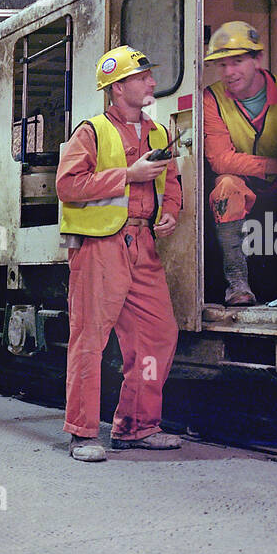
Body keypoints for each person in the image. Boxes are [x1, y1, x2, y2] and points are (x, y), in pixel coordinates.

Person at [56, 46, 183, 462]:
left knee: (157, 335)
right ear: (118, 88)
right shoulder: (91, 132)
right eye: (142, 78)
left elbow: (172, 182)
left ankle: (137, 426)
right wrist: (128, 174)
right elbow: (68, 186)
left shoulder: (159, 133)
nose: (151, 82)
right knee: (90, 338)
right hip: (100, 246)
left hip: (143, 243)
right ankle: (82, 433)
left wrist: (171, 212)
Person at [203, 21, 277, 307]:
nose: (229, 72)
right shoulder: (212, 98)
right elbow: (220, 159)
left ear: (257, 59)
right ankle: (237, 284)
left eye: (237, 62)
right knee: (225, 186)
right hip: (247, 185)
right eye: (222, 65)